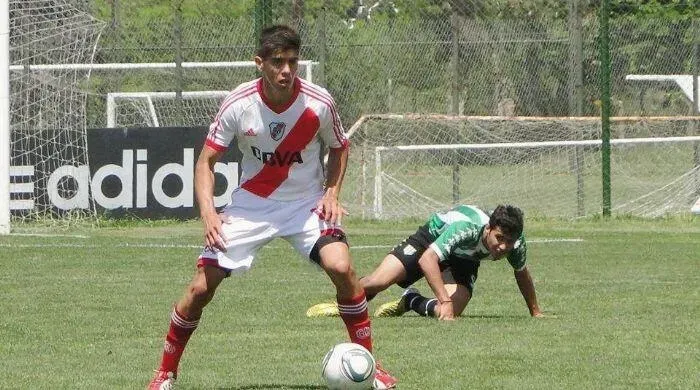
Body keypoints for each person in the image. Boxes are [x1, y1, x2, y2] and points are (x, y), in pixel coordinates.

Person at [147, 25, 397, 390]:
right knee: (201, 288)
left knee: (342, 267)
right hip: (252, 207)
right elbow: (206, 162)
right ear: (259, 63)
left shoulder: (318, 103)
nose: (286, 71)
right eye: (277, 62)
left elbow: (340, 147)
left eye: (292, 62)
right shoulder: (238, 103)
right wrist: (209, 213)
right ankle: (165, 373)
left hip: (306, 204)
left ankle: (371, 369)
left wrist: (331, 192)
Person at [307, 204, 544, 321]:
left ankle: (411, 300)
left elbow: (521, 272)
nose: (502, 247)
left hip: (463, 260)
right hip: (428, 241)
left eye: (509, 242)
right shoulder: (467, 229)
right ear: (489, 228)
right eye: (499, 238)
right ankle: (341, 304)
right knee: (378, 282)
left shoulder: (516, 243)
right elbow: (428, 258)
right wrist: (443, 298)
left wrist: (536, 313)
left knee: (451, 311)